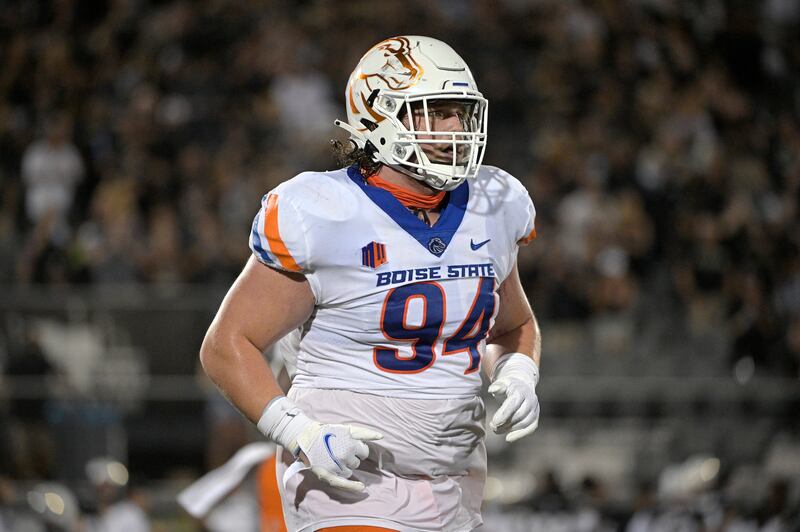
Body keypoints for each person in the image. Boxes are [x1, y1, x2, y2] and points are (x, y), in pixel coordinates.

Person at [201, 35, 542, 531]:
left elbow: (513, 326)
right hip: (349, 480)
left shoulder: (495, 202)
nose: (454, 127)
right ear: (380, 118)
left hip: (455, 478)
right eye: (436, 111)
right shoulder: (323, 211)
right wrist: (298, 432)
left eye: (459, 112)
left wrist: (517, 374)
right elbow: (226, 345)